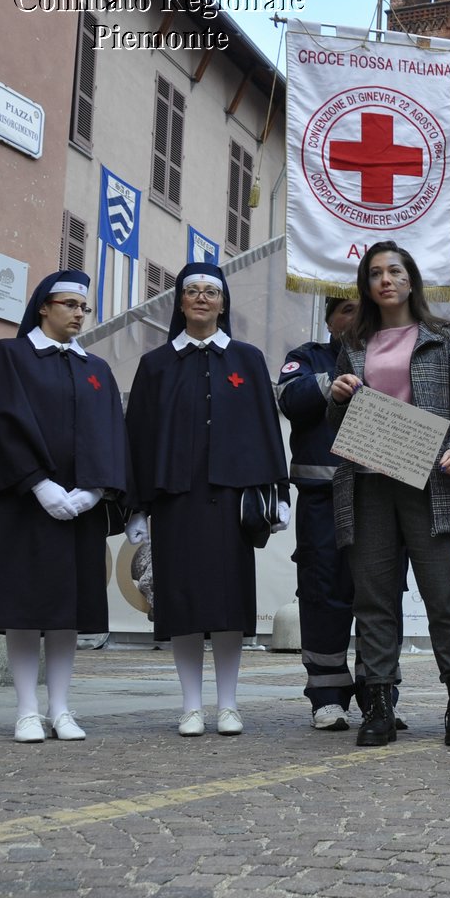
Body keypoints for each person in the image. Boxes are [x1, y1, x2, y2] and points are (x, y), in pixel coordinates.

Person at [0, 270, 135, 742]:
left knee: (67, 611)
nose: (79, 314)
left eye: (85, 308)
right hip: (27, 504)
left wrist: (96, 490)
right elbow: (1, 421)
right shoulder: (11, 356)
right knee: (24, 608)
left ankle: (60, 708)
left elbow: (111, 435)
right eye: (70, 305)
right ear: (43, 306)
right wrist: (39, 484)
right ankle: (25, 709)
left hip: (79, 509)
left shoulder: (96, 369)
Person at [126, 262, 290, 737]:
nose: (201, 298)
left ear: (223, 303)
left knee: (227, 605)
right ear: (179, 301)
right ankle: (191, 706)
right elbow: (137, 435)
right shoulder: (155, 365)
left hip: (231, 499)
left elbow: (266, 428)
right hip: (175, 500)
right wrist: (137, 505)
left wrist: (277, 492)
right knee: (182, 604)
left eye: (210, 292)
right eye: (192, 291)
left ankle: (230, 705)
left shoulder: (247, 359)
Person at [326, 242, 450, 748]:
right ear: (366, 286)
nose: (385, 280)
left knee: (444, 597)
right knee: (374, 600)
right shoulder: (352, 342)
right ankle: (380, 705)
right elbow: (336, 424)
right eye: (375, 273)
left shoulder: (442, 337)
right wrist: (336, 395)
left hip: (430, 483)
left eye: (394, 271)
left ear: (411, 280)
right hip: (368, 483)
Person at [275, 296, 361, 730]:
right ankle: (326, 696)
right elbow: (288, 398)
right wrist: (331, 383)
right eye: (345, 308)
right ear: (328, 318)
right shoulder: (305, 357)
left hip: (375, 497)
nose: (353, 316)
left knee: (377, 596)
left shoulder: (388, 356)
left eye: (361, 309)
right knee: (322, 590)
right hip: (321, 498)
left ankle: (380, 692)